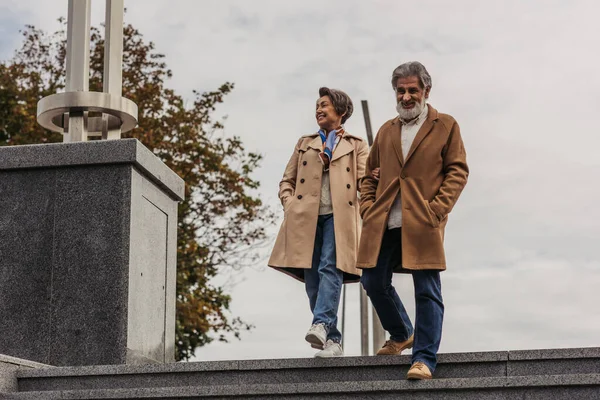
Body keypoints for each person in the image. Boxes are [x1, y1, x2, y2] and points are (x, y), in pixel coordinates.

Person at [358, 62, 469, 379]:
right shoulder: (386, 130)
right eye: (400, 91)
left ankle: (424, 358)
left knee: (426, 290)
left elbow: (457, 171)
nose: (406, 97)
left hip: (422, 221)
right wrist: (368, 206)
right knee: (372, 281)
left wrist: (437, 209)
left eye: (412, 90)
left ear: (426, 91)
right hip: (384, 222)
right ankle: (401, 331)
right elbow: (370, 175)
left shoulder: (445, 125)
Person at [269, 87, 368, 358]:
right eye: (317, 106)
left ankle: (322, 323)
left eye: (324, 105)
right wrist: (290, 205)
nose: (319, 109)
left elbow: (366, 183)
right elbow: (287, 180)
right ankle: (332, 341)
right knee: (312, 279)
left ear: (341, 111)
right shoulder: (305, 143)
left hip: (339, 216)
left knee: (329, 268)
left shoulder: (356, 145)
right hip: (305, 219)